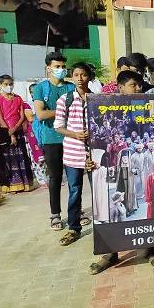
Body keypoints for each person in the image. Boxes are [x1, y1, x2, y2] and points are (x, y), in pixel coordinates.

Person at [89, 71, 154, 274]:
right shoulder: (104, 107)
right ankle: (110, 253)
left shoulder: (141, 111)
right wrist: (91, 159)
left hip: (134, 165)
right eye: (134, 85)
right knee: (109, 209)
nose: (139, 89)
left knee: (142, 207)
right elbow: (94, 140)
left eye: (140, 85)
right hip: (108, 169)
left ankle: (149, 250)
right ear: (120, 88)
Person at [53, 62, 95, 246]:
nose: (80, 78)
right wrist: (75, 134)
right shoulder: (65, 99)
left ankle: (103, 226)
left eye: (83, 74)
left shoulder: (97, 98)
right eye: (76, 75)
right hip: (72, 152)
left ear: (89, 77)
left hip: (93, 154)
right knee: (75, 191)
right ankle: (73, 228)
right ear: (72, 77)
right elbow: (58, 126)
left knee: (98, 191)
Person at [33, 52, 76, 230]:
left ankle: (76, 212)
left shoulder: (70, 88)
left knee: (75, 178)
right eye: (57, 66)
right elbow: (41, 114)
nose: (61, 70)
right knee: (55, 177)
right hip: (51, 138)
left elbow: (76, 110)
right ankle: (55, 214)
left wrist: (55, 111)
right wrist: (63, 109)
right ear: (48, 68)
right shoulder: (41, 88)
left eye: (63, 66)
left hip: (71, 137)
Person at [0, 75, 34, 193]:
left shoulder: (18, 98)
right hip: (5, 131)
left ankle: (24, 184)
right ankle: (11, 185)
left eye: (11, 84)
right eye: (6, 84)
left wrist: (16, 128)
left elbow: (22, 116)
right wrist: (10, 133)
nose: (9, 87)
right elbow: (0, 117)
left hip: (18, 130)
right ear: (1, 85)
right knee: (9, 159)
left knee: (21, 157)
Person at [22, 89, 47, 187]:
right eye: (33, 91)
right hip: (33, 134)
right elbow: (30, 118)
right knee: (37, 158)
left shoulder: (45, 103)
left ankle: (49, 179)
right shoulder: (27, 105)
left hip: (44, 132)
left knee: (47, 157)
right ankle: (41, 180)